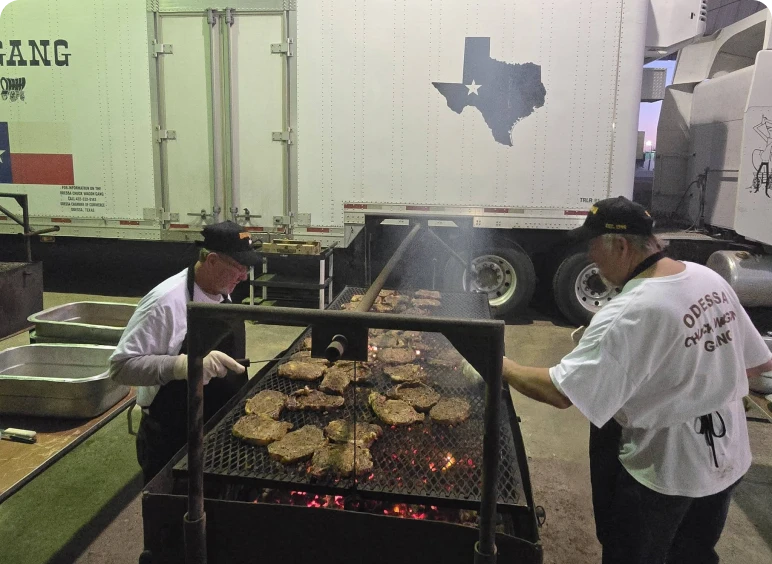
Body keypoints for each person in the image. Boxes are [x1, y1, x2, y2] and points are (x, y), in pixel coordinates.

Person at [501, 197, 772, 564]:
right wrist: (692, 378)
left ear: (621, 246)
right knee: (693, 554)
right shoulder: (705, 277)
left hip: (666, 470)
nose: (591, 257)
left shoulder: (629, 313)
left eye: (592, 246)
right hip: (728, 458)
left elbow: (560, 392)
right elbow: (755, 364)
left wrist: (501, 364)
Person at [110, 221, 260, 484]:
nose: (244, 276)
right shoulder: (165, 302)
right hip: (172, 435)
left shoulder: (221, 291)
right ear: (212, 260)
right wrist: (186, 366)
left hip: (216, 427)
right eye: (239, 267)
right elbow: (121, 367)